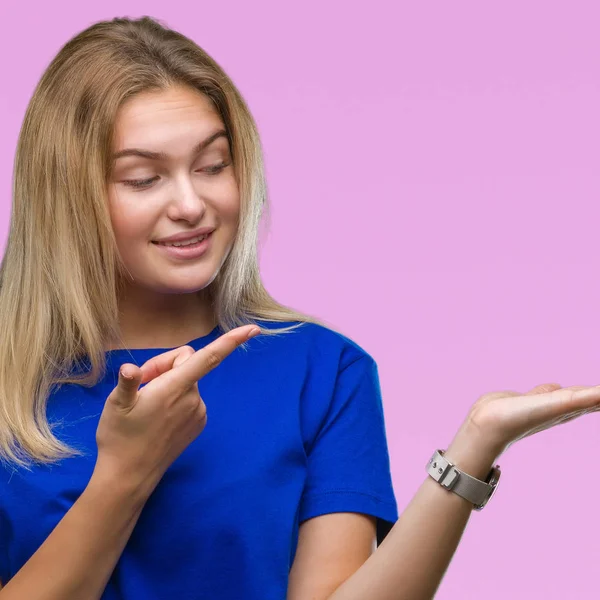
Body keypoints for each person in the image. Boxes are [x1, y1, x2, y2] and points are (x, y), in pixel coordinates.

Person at [0, 15, 598, 600]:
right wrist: (125, 473)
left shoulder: (323, 372)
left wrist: (474, 445)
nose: (192, 203)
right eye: (143, 178)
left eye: (213, 166)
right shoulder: (11, 381)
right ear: (66, 195)